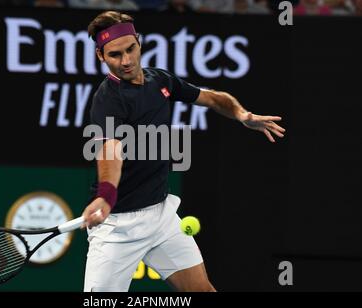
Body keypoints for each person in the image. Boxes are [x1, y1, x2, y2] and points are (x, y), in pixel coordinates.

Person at [82, 11, 285, 292]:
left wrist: (242, 114)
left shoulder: (160, 81)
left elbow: (212, 98)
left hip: (162, 216)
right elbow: (110, 150)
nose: (127, 61)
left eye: (131, 49)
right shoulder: (108, 100)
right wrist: (106, 196)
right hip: (118, 227)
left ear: (139, 42)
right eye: (116, 55)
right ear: (101, 56)